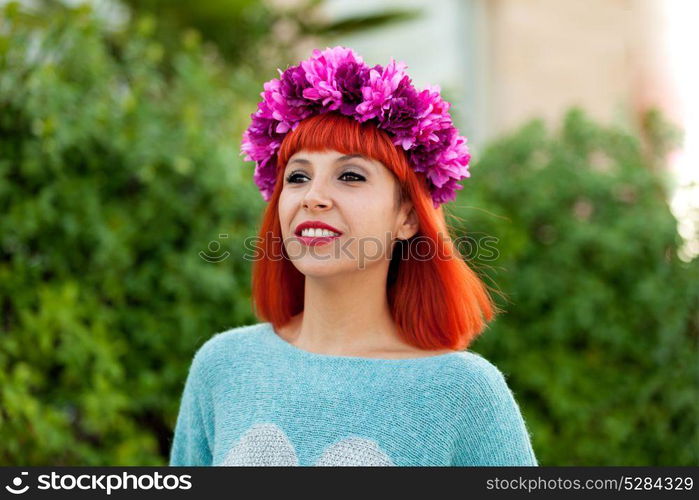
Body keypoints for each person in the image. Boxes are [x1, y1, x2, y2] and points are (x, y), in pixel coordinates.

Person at [169, 46, 538, 466]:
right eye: (298, 176)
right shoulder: (224, 367)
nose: (313, 197)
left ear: (407, 217)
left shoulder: (462, 393)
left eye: (350, 175)